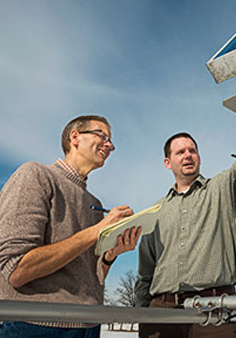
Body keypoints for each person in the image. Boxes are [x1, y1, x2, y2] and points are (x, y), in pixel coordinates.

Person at [0, 115, 142, 337]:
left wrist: (110, 256)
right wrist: (97, 231)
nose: (109, 145)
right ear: (74, 137)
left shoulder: (95, 204)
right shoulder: (35, 175)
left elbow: (92, 278)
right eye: (102, 135)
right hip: (35, 325)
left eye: (111, 142)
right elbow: (16, 270)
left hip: (88, 324)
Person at [134, 132, 236, 338]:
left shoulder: (222, 190)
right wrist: (141, 310)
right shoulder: (155, 211)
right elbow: (146, 271)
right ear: (167, 162)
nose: (188, 155)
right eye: (180, 152)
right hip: (162, 313)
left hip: (215, 310)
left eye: (193, 151)